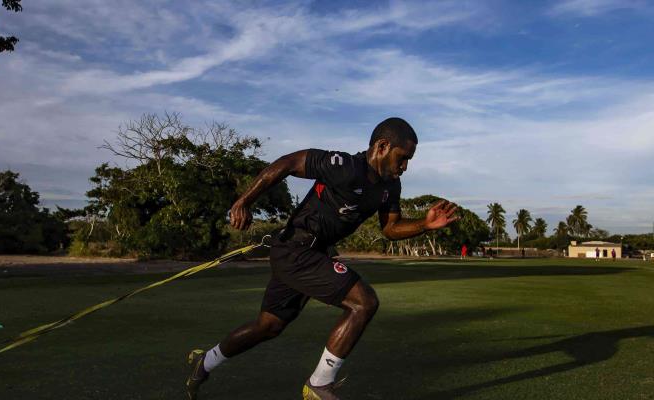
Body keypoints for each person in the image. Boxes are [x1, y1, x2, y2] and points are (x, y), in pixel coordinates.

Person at [185, 117, 460, 399]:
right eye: (402, 158)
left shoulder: (390, 186)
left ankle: (205, 361)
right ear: (382, 146)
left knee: (268, 326)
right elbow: (289, 163)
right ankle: (319, 384)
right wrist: (244, 201)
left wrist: (424, 224)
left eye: (409, 160)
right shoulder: (344, 166)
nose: (405, 167)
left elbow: (390, 228)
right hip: (295, 249)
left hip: (313, 254)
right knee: (363, 302)